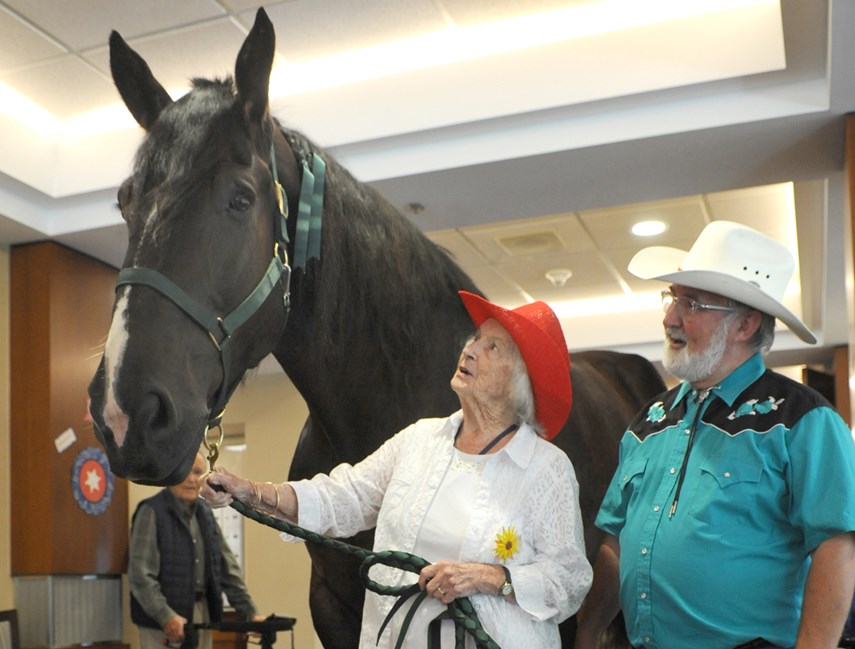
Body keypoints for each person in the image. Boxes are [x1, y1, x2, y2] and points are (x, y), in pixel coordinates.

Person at [202, 290, 592, 648]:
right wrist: (251, 492)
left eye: (494, 347)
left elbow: (570, 581)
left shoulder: (546, 468)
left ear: (518, 381)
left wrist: (492, 578)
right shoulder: (420, 439)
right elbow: (345, 497)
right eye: (475, 339)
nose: (471, 350)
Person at [575, 221, 855, 649]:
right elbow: (615, 543)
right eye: (672, 298)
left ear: (745, 325)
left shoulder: (803, 420)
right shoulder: (648, 420)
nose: (670, 317)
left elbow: (835, 547)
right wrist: (587, 632)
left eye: (692, 304)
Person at [129, 451, 265, 649]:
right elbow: (140, 576)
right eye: (185, 472)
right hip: (161, 623)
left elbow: (227, 569)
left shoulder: (206, 513)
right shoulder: (151, 511)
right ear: (171, 474)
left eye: (197, 472)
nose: (191, 479)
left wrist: (251, 612)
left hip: (201, 616)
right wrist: (166, 616)